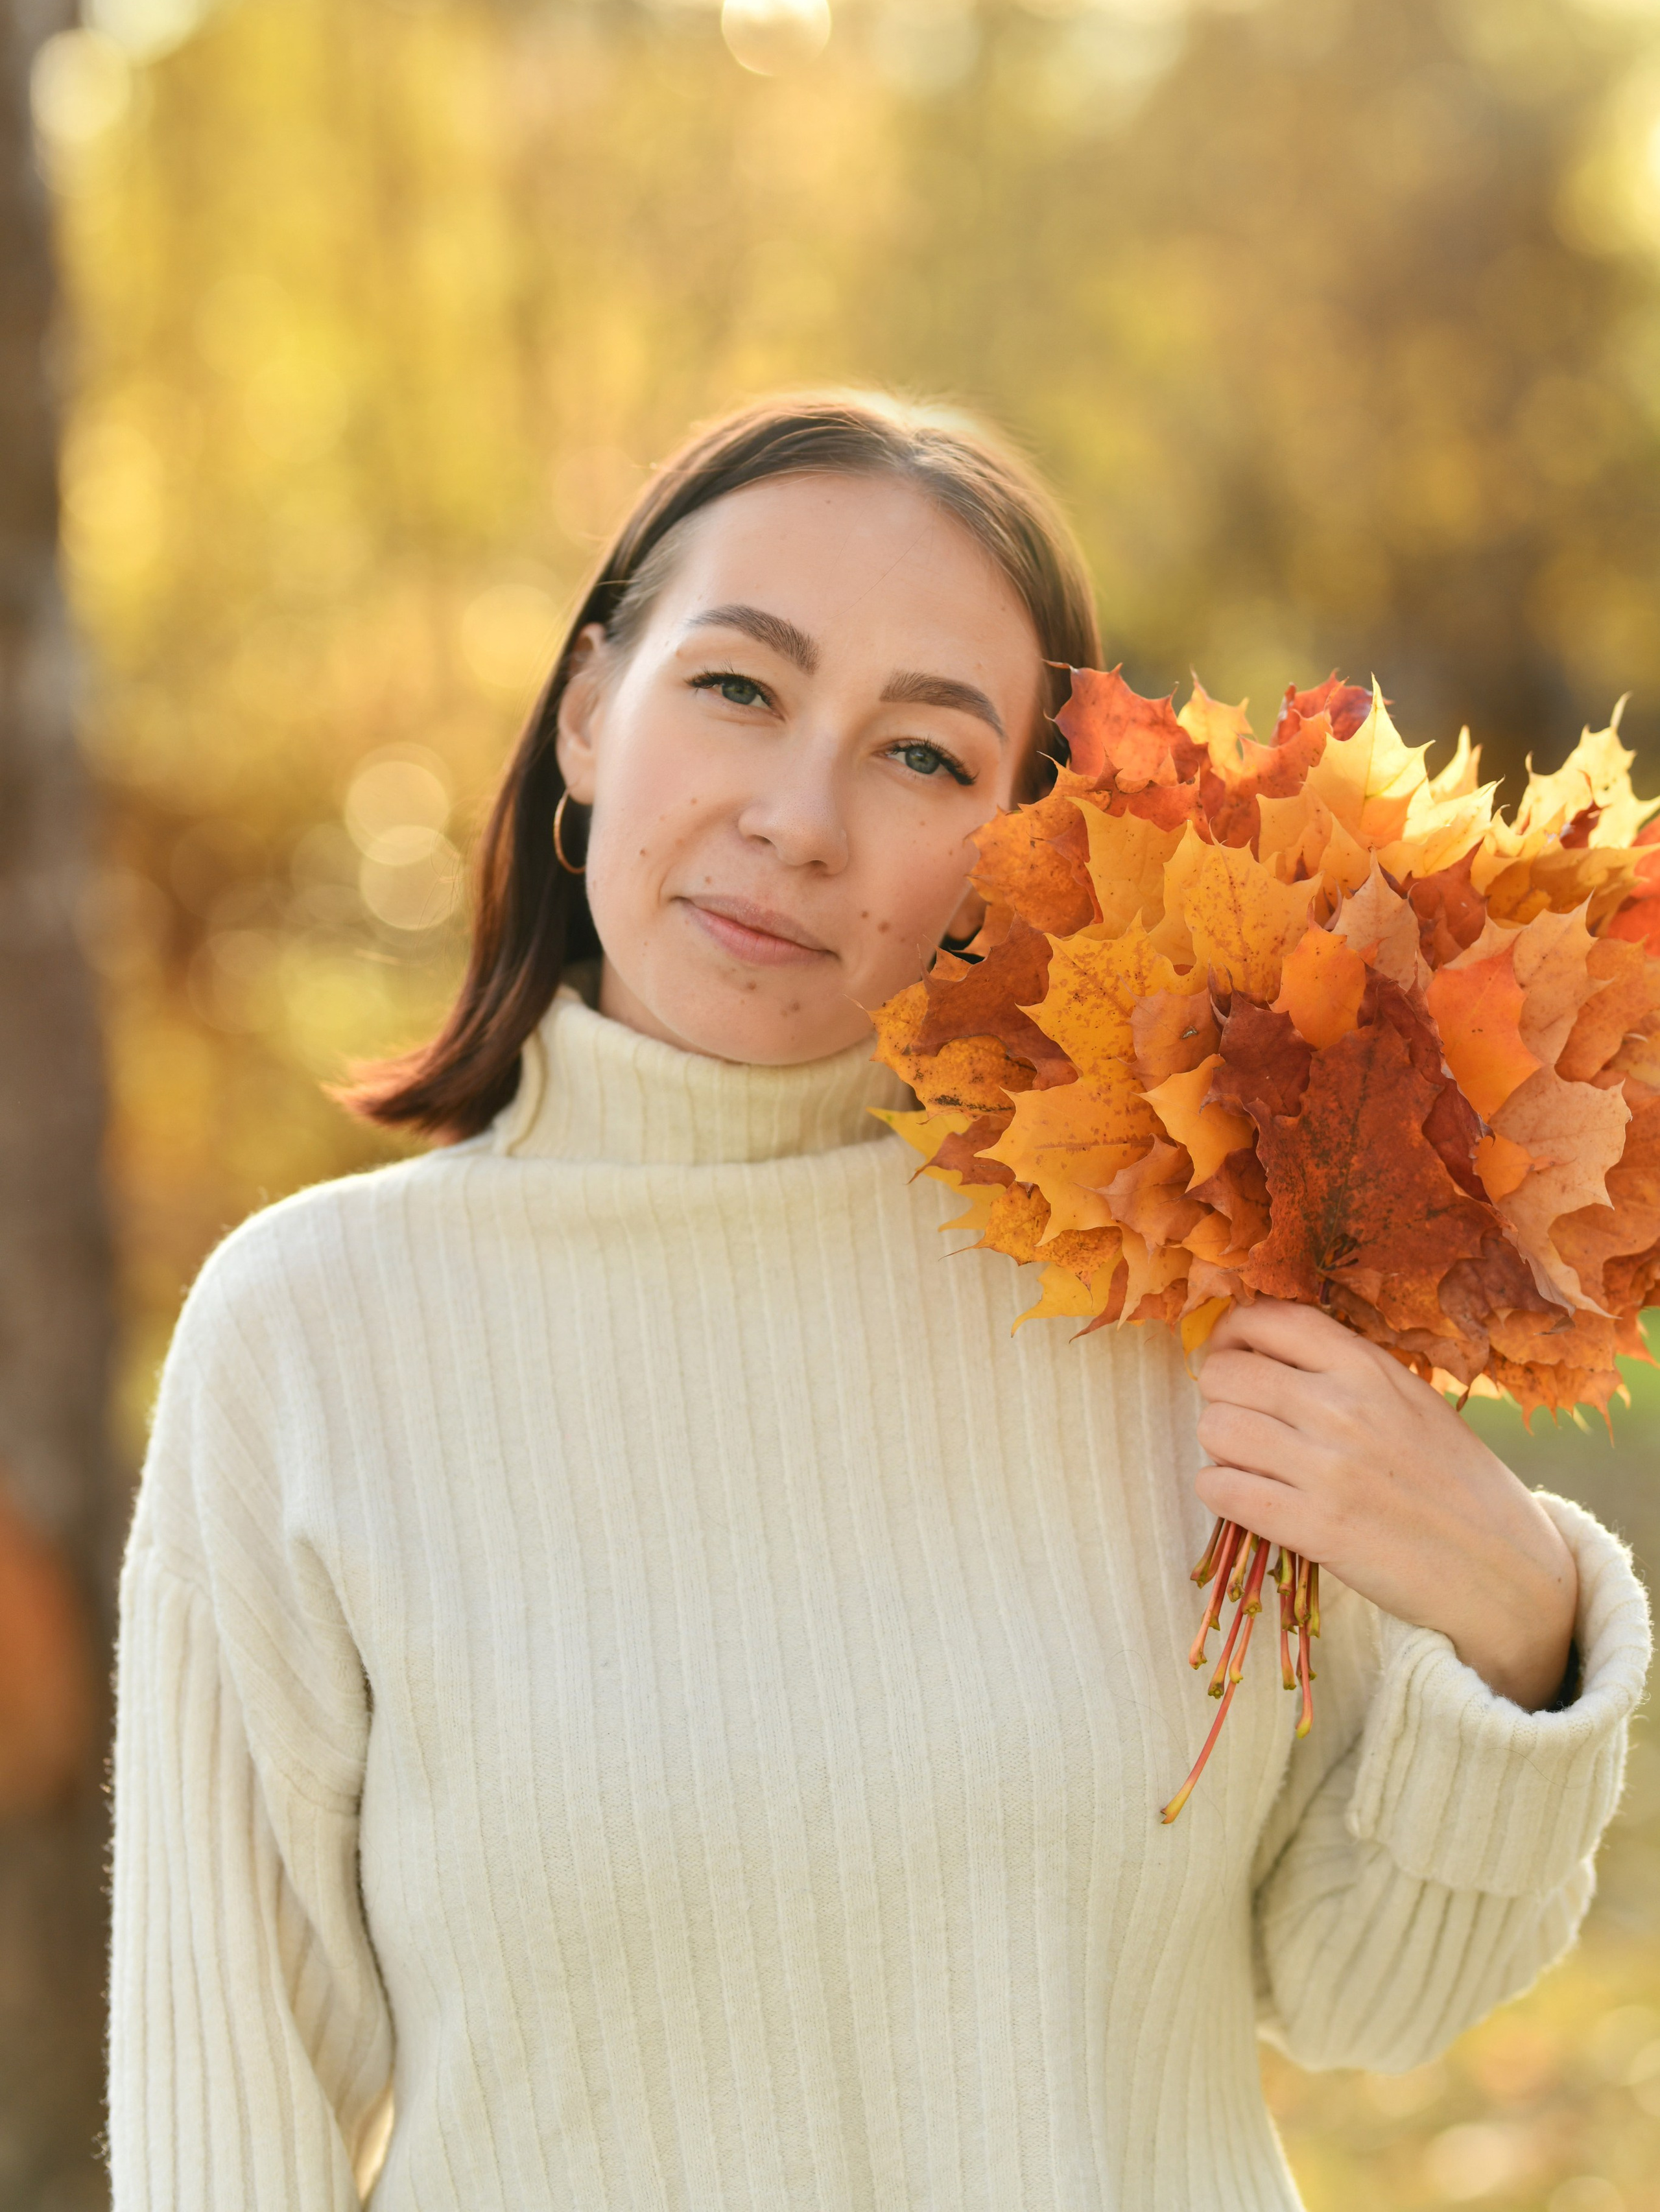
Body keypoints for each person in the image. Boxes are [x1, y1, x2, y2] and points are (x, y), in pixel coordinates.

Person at [109, 392, 1651, 2211]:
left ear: (1022, 844)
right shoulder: (312, 1342)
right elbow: (234, 2125)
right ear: (592, 710)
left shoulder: (1163, 1282)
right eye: (739, 690)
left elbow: (1364, 1991)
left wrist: (1524, 1626)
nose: (800, 819)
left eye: (923, 756)